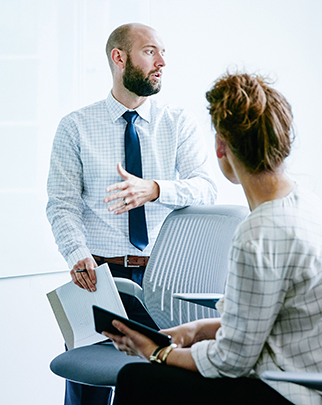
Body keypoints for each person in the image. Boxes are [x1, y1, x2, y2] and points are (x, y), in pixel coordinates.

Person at [103, 72, 322, 405]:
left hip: (299, 394)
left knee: (138, 378)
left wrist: (156, 351)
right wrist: (196, 331)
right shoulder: (308, 204)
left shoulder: (258, 233)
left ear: (220, 146)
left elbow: (230, 360)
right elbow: (264, 323)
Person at [45, 23, 217, 405]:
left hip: (163, 279)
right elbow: (62, 204)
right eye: (151, 52)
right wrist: (77, 253)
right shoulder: (76, 128)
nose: (162, 63)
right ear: (119, 58)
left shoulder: (177, 123)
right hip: (100, 279)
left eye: (163, 52)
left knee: (154, 387)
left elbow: (206, 188)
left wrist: (154, 189)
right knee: (86, 389)